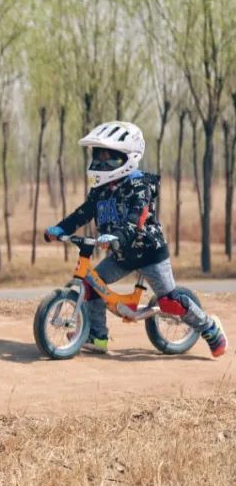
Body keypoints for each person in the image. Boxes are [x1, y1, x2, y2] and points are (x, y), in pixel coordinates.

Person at [44, 120, 227, 357]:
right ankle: (96, 336)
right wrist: (60, 228)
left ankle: (210, 328)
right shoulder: (100, 190)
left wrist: (118, 236)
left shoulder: (140, 185)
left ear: (127, 158)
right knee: (91, 286)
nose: (100, 163)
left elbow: (135, 219)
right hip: (121, 255)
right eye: (98, 157)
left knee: (170, 301)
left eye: (107, 158)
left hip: (149, 253)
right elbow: (83, 213)